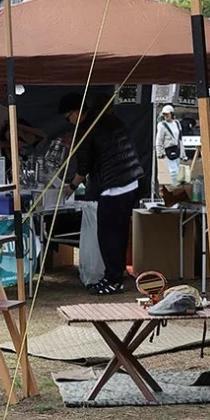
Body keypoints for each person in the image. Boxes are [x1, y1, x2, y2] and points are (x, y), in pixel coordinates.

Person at [62, 91, 142, 296]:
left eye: (68, 117)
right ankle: (117, 274)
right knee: (120, 232)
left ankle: (112, 280)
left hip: (115, 185)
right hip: (131, 180)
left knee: (108, 235)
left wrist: (70, 187)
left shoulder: (86, 127)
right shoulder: (109, 119)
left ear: (77, 112)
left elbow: (84, 167)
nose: (69, 122)